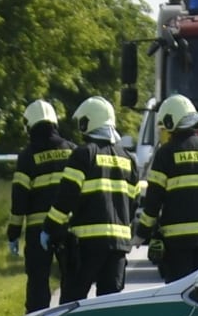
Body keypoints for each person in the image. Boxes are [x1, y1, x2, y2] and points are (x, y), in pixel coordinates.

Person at [43, 96, 137, 302]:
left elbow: (66, 197)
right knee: (108, 307)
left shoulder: (83, 155)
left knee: (71, 304)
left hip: (87, 245)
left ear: (88, 122)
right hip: (119, 246)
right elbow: (133, 202)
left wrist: (49, 227)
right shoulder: (129, 159)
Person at [136, 94, 198, 283]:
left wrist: (142, 234)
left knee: (179, 294)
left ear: (171, 122)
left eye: (163, 127)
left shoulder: (165, 154)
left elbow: (153, 201)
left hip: (177, 242)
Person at [7, 99, 74, 313]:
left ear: (30, 126)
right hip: (68, 226)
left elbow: (19, 199)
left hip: (38, 231)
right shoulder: (73, 151)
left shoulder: (27, 157)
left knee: (37, 282)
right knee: (72, 280)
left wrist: (13, 233)